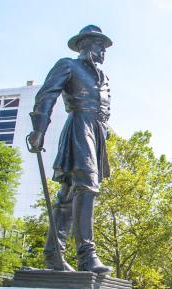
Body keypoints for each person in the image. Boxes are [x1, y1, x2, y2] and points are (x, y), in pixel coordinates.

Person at [27, 25, 113, 273]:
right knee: (86, 186)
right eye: (98, 46)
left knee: (67, 195)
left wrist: (104, 130)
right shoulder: (68, 65)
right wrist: (39, 130)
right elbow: (47, 95)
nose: (102, 52)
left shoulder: (103, 77)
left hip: (96, 133)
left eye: (104, 48)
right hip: (78, 126)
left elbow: (105, 109)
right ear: (84, 44)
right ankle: (87, 255)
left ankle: (54, 255)